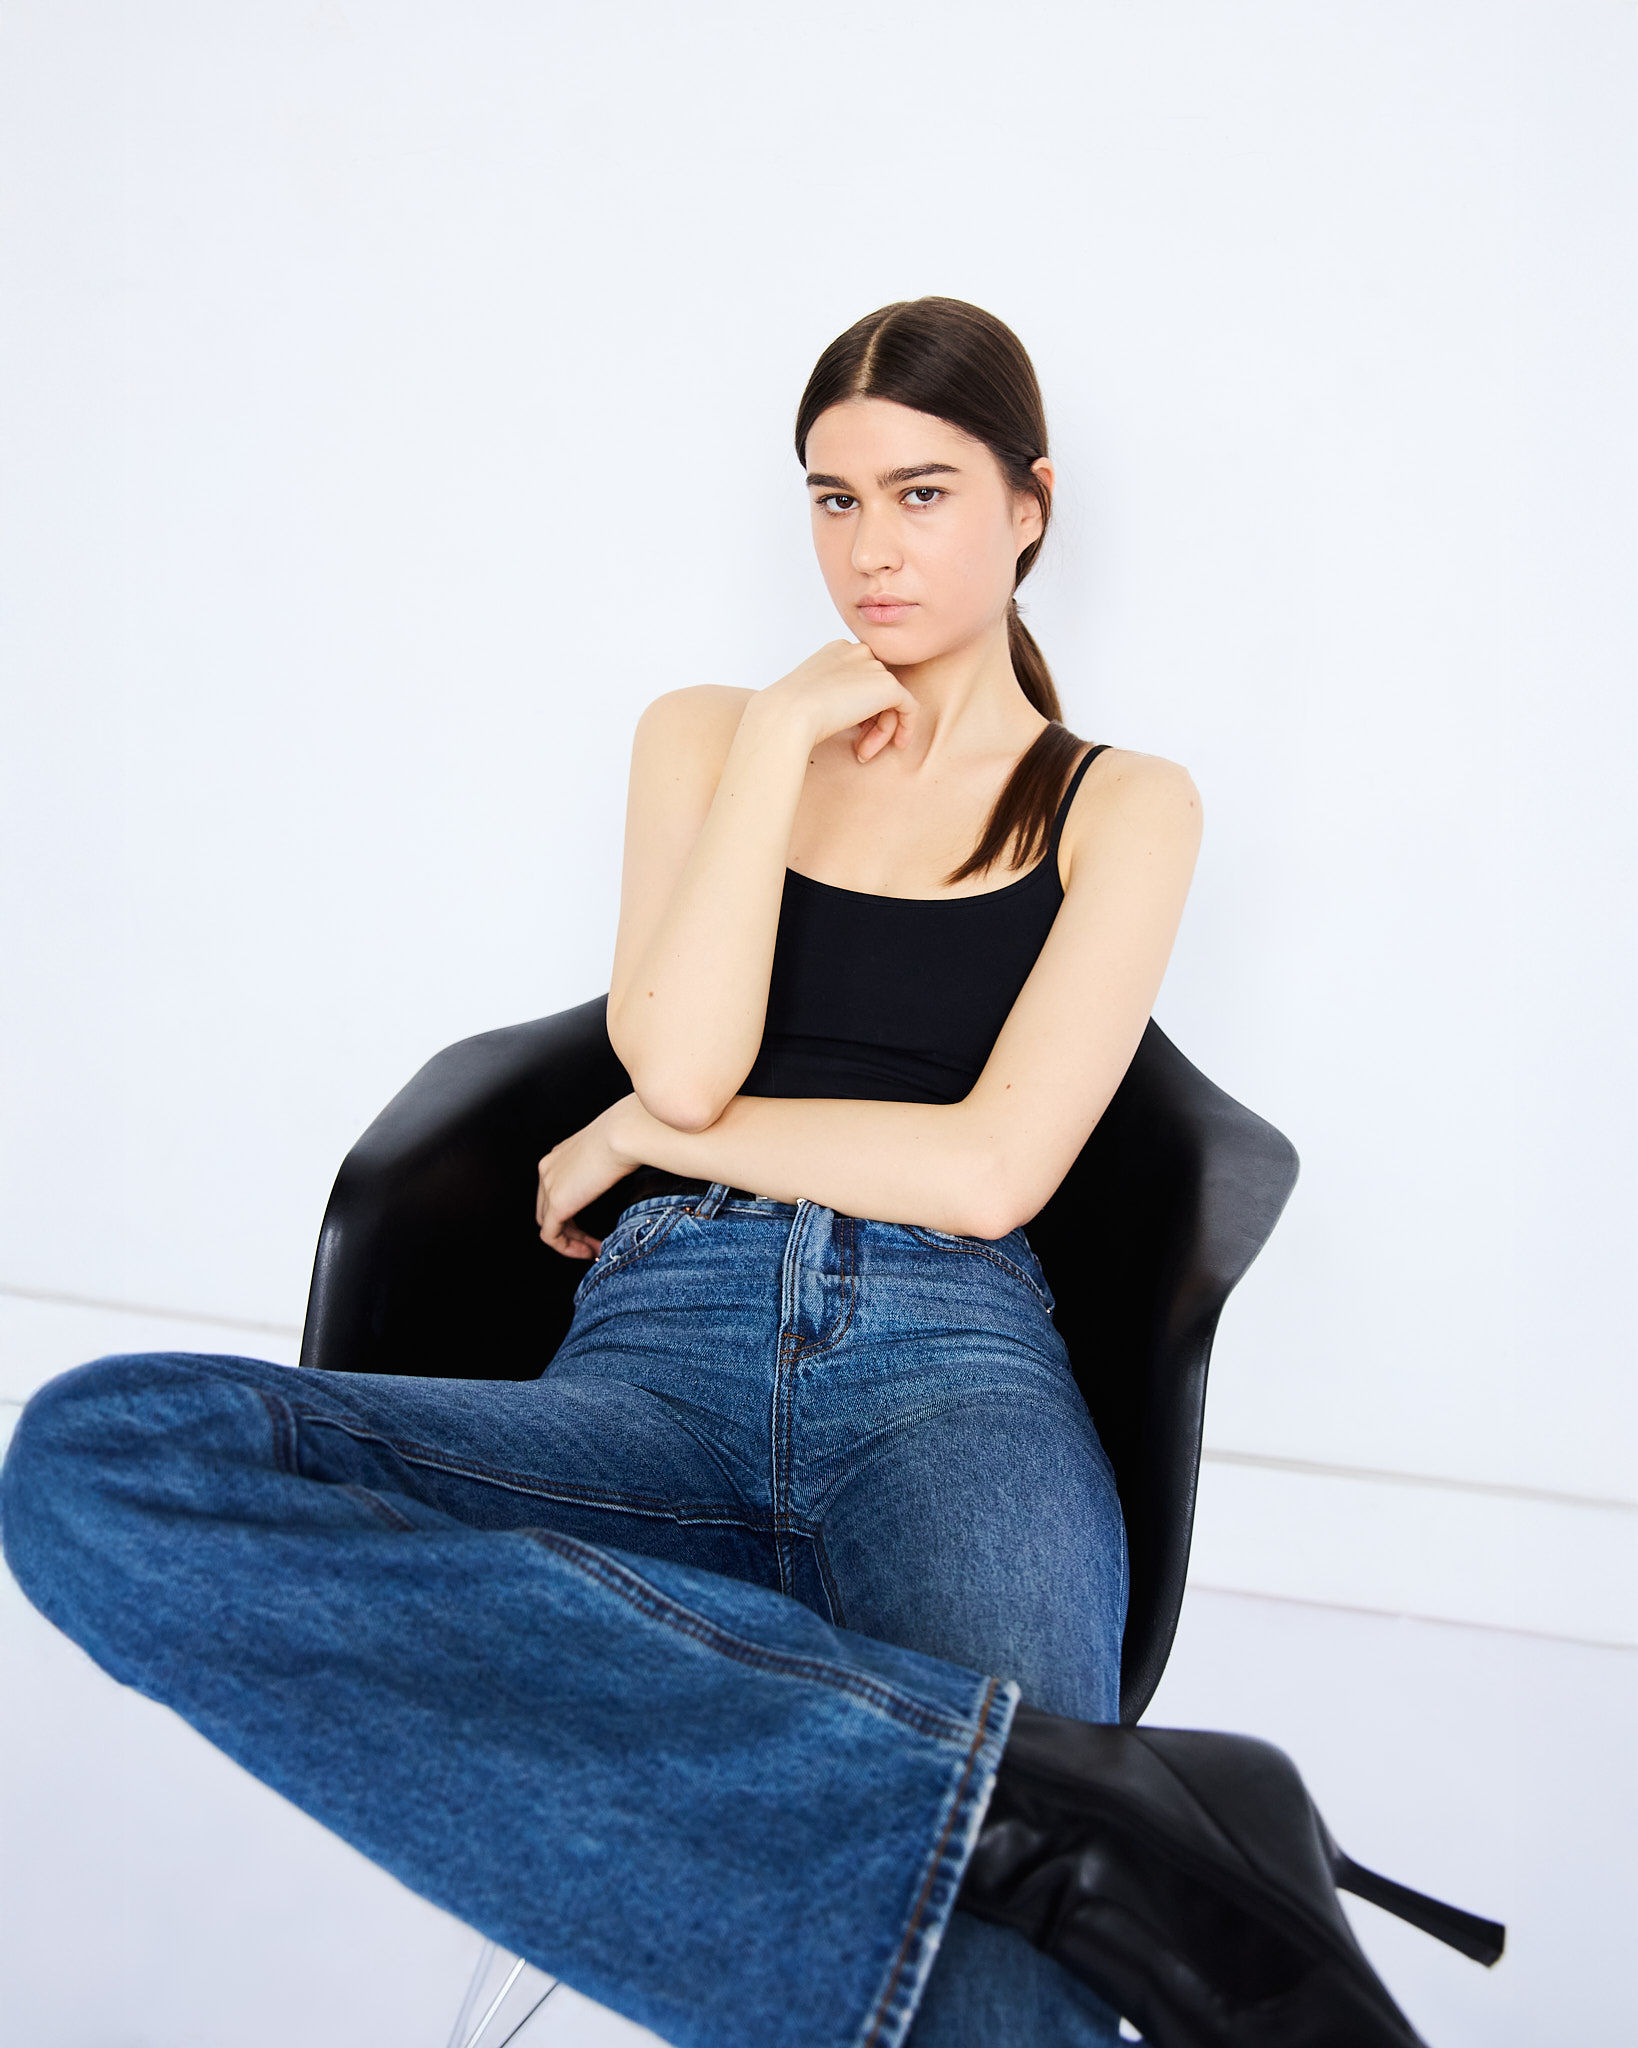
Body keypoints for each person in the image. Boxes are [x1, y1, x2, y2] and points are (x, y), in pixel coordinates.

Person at [0, 297, 1301, 2048]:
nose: (870, 550)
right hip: (658, 1356)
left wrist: (636, 1136)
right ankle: (994, 1792)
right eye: (832, 500)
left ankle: (955, 1803)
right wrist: (776, 747)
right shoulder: (707, 734)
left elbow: (990, 1173)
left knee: (1005, 1968)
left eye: (921, 494)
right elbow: (682, 1056)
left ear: (1029, 505)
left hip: (954, 1370)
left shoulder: (1122, 801)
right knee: (98, 1456)